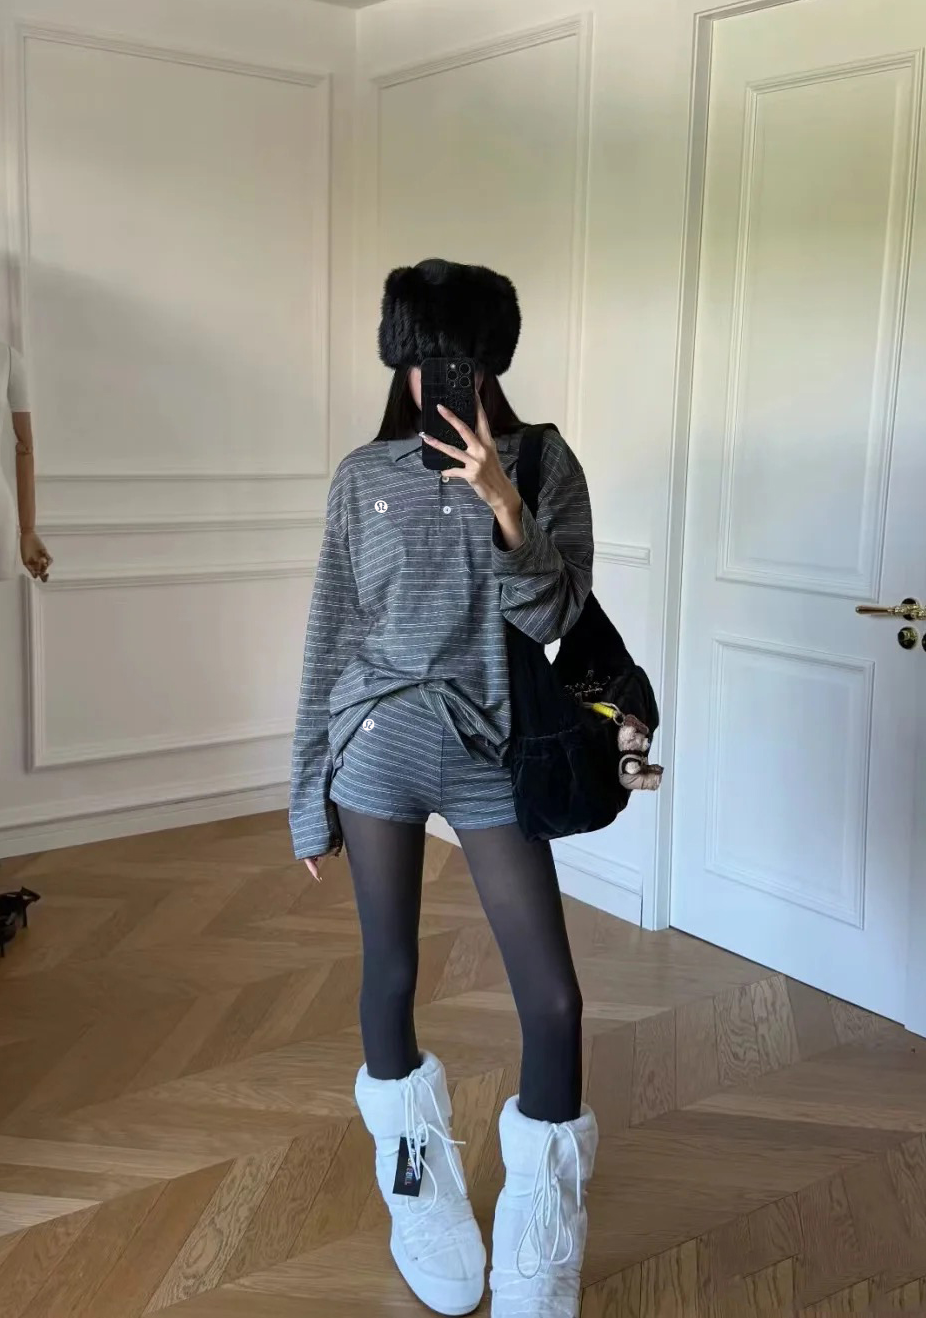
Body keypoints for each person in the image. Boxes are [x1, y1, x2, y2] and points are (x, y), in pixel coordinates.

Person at [288, 258, 598, 1318]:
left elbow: (557, 618)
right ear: (401, 364)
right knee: (390, 971)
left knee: (553, 996)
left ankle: (542, 1228)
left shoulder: (543, 461)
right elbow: (331, 634)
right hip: (375, 744)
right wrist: (306, 791)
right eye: (423, 357)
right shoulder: (360, 476)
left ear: (490, 362)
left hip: (490, 748)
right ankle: (417, 1187)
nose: (440, 376)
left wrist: (504, 503)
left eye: (459, 357)